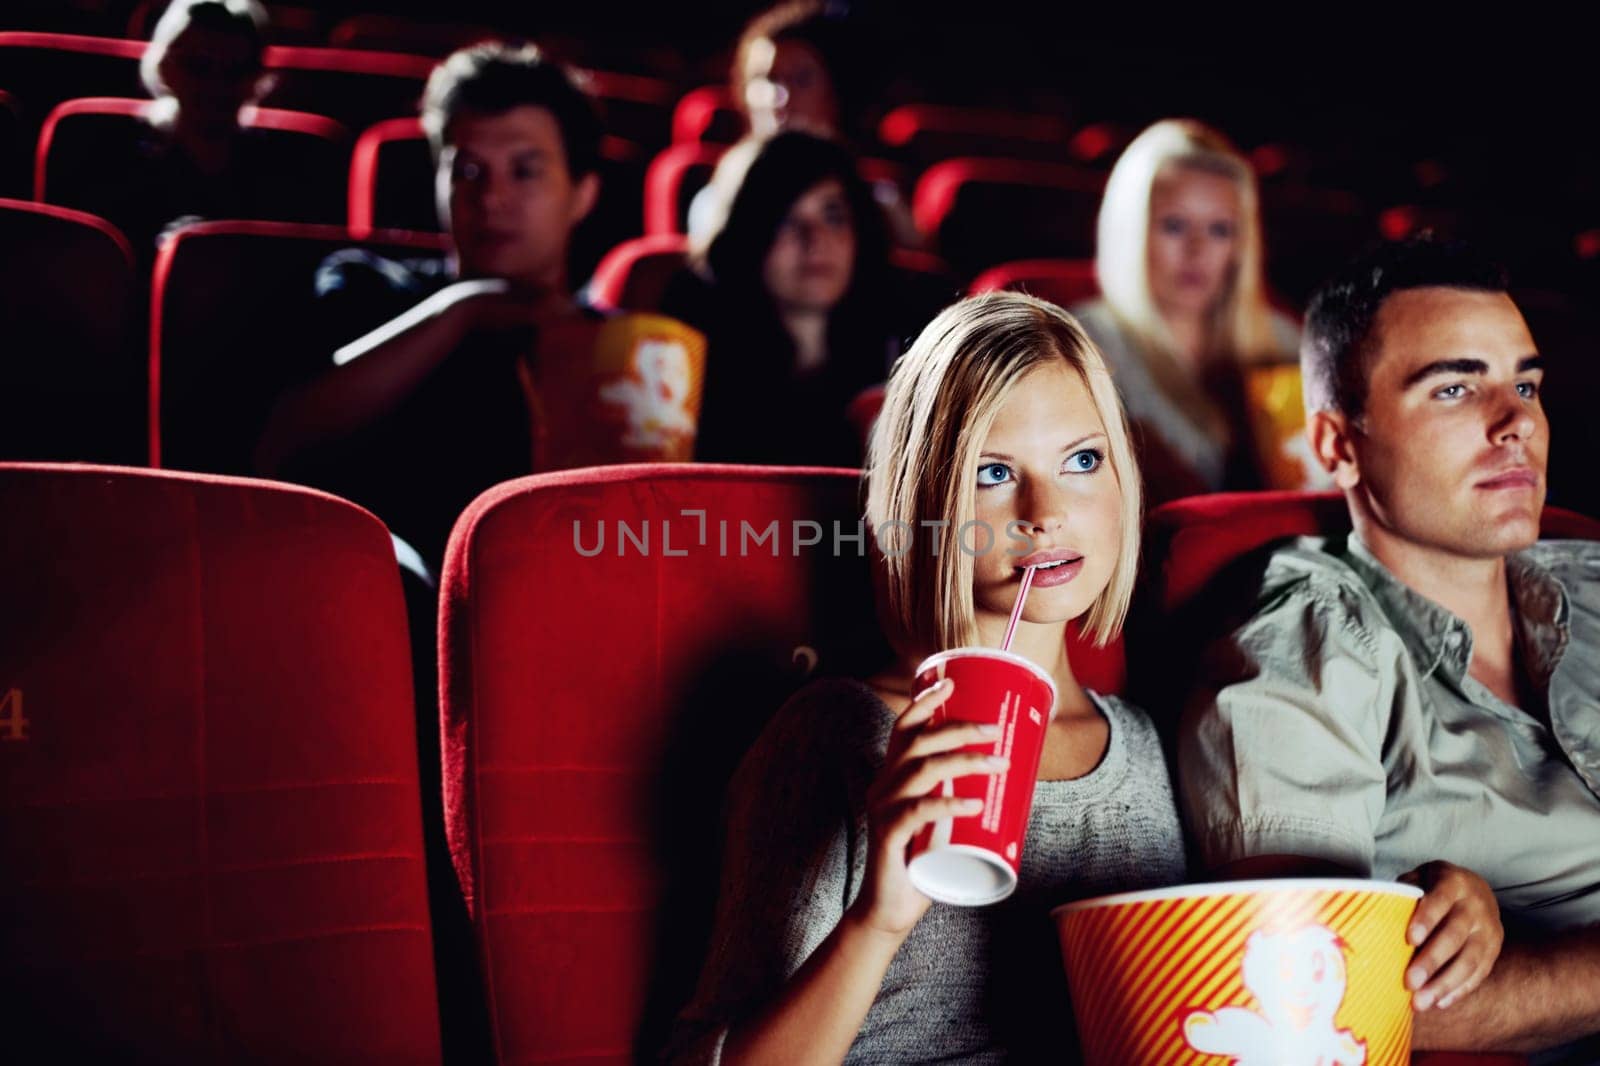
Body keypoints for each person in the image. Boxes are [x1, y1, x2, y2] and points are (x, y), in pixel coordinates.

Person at [665, 290, 1183, 1063]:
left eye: (1083, 459)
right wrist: (879, 918)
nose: (1044, 511)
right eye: (992, 472)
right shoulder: (838, 735)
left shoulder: (1147, 745)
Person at [1179, 236, 1600, 1057]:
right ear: (1337, 446)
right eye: (1454, 387)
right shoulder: (1307, 639)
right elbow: (1312, 1005)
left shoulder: (1590, 573)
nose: (1516, 422)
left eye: (1525, 383)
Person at [253, 42, 624, 566]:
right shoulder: (370, 287)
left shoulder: (623, 349)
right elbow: (283, 440)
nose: (491, 200)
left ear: (582, 194)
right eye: (468, 172)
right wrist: (463, 311)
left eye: (525, 172)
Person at [1074, 119, 1319, 506]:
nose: (1197, 249)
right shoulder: (1081, 344)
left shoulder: (1285, 339)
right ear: (1130, 231)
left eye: (1220, 230)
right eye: (1174, 225)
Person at [664, 130, 897, 467]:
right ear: (746, 236)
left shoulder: (903, 354)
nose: (814, 239)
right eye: (787, 219)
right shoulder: (688, 375)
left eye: (833, 216)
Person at [54, 0, 341, 259]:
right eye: (198, 66)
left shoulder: (284, 169)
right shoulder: (113, 154)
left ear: (257, 78)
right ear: (165, 67)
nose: (215, 86)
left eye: (234, 70)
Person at [686, 1, 920, 250]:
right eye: (767, 79)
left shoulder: (882, 206)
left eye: (802, 79)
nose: (780, 98)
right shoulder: (718, 203)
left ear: (837, 91)